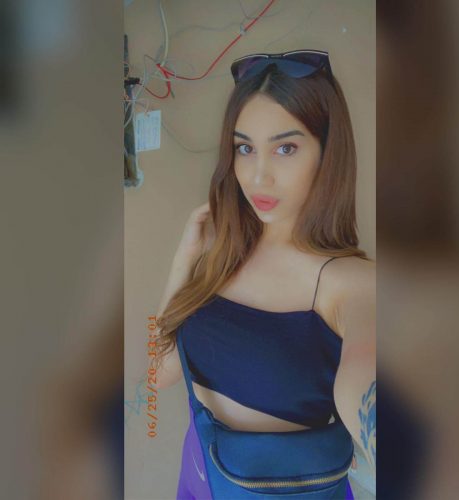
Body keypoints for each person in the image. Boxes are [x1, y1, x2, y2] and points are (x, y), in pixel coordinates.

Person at [154, 50, 375, 499]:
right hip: (197, 481)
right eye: (245, 148)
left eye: (285, 148)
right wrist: (184, 262)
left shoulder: (352, 284)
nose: (258, 176)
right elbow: (156, 374)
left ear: (327, 154)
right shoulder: (221, 254)